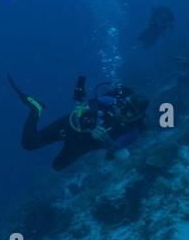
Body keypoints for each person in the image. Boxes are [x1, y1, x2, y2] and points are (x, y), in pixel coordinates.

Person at [8, 73, 148, 171]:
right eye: (123, 106)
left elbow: (115, 151)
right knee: (29, 143)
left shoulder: (133, 130)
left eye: (130, 112)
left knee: (57, 166)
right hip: (70, 125)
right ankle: (36, 109)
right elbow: (83, 106)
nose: (122, 112)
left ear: (137, 117)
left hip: (83, 144)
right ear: (122, 102)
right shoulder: (112, 101)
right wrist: (84, 113)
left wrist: (105, 139)